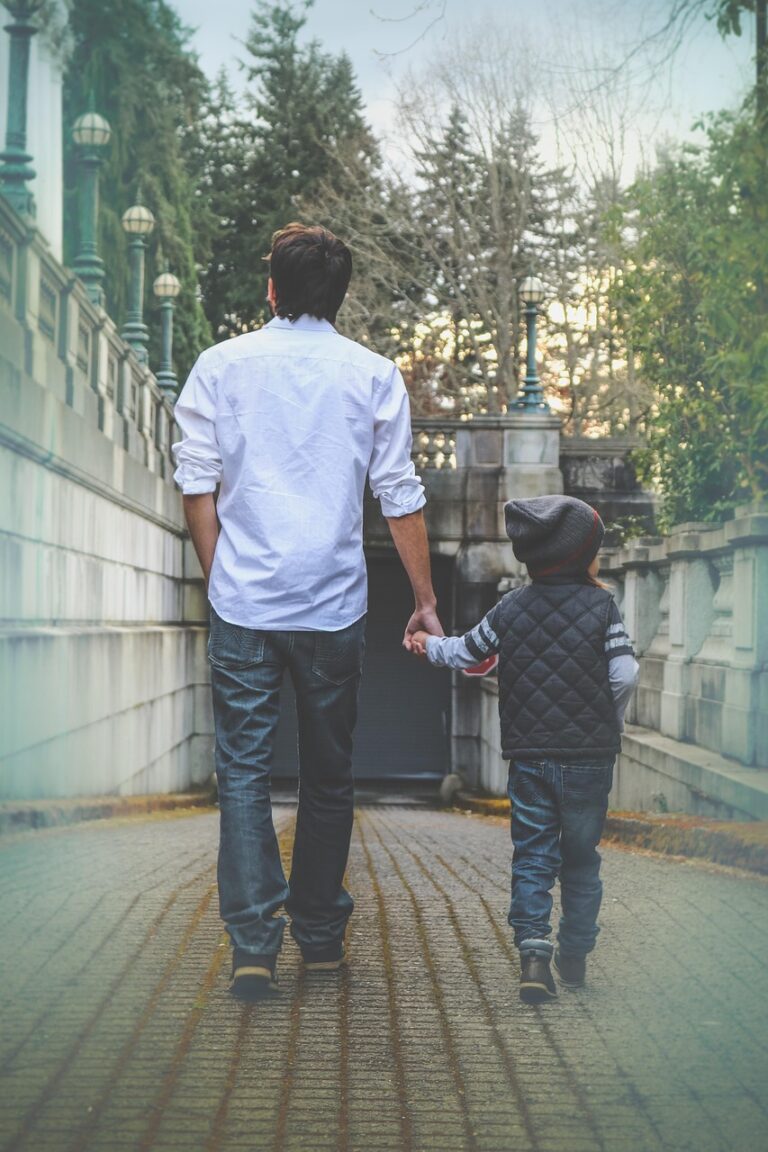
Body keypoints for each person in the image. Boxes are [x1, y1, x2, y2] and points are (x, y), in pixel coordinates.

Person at [172, 223, 443, 1000]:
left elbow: (198, 484)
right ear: (341, 293)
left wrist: (223, 580)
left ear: (272, 289)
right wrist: (425, 601)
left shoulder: (220, 367)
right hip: (331, 609)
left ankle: (253, 944)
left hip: (245, 606)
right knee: (329, 779)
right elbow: (400, 495)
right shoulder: (372, 374)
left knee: (245, 776)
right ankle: (320, 937)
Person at [410, 495, 638, 1004]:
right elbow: (625, 673)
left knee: (533, 857)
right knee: (581, 858)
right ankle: (574, 953)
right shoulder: (603, 606)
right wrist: (609, 721)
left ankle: (534, 956)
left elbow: (466, 651)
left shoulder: (510, 607)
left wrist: (428, 645)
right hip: (590, 759)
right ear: (584, 556)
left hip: (529, 756)